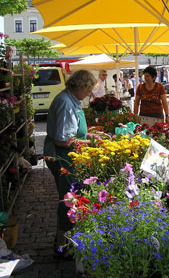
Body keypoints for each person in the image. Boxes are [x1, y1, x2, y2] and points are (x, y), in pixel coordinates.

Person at [44, 70, 97, 256]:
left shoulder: (71, 99)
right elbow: (62, 140)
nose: (90, 93)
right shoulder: (66, 103)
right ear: (81, 87)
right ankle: (62, 246)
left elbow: (74, 133)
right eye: (89, 89)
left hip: (68, 155)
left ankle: (66, 241)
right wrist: (92, 143)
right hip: (62, 156)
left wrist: (91, 135)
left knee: (70, 197)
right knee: (68, 199)